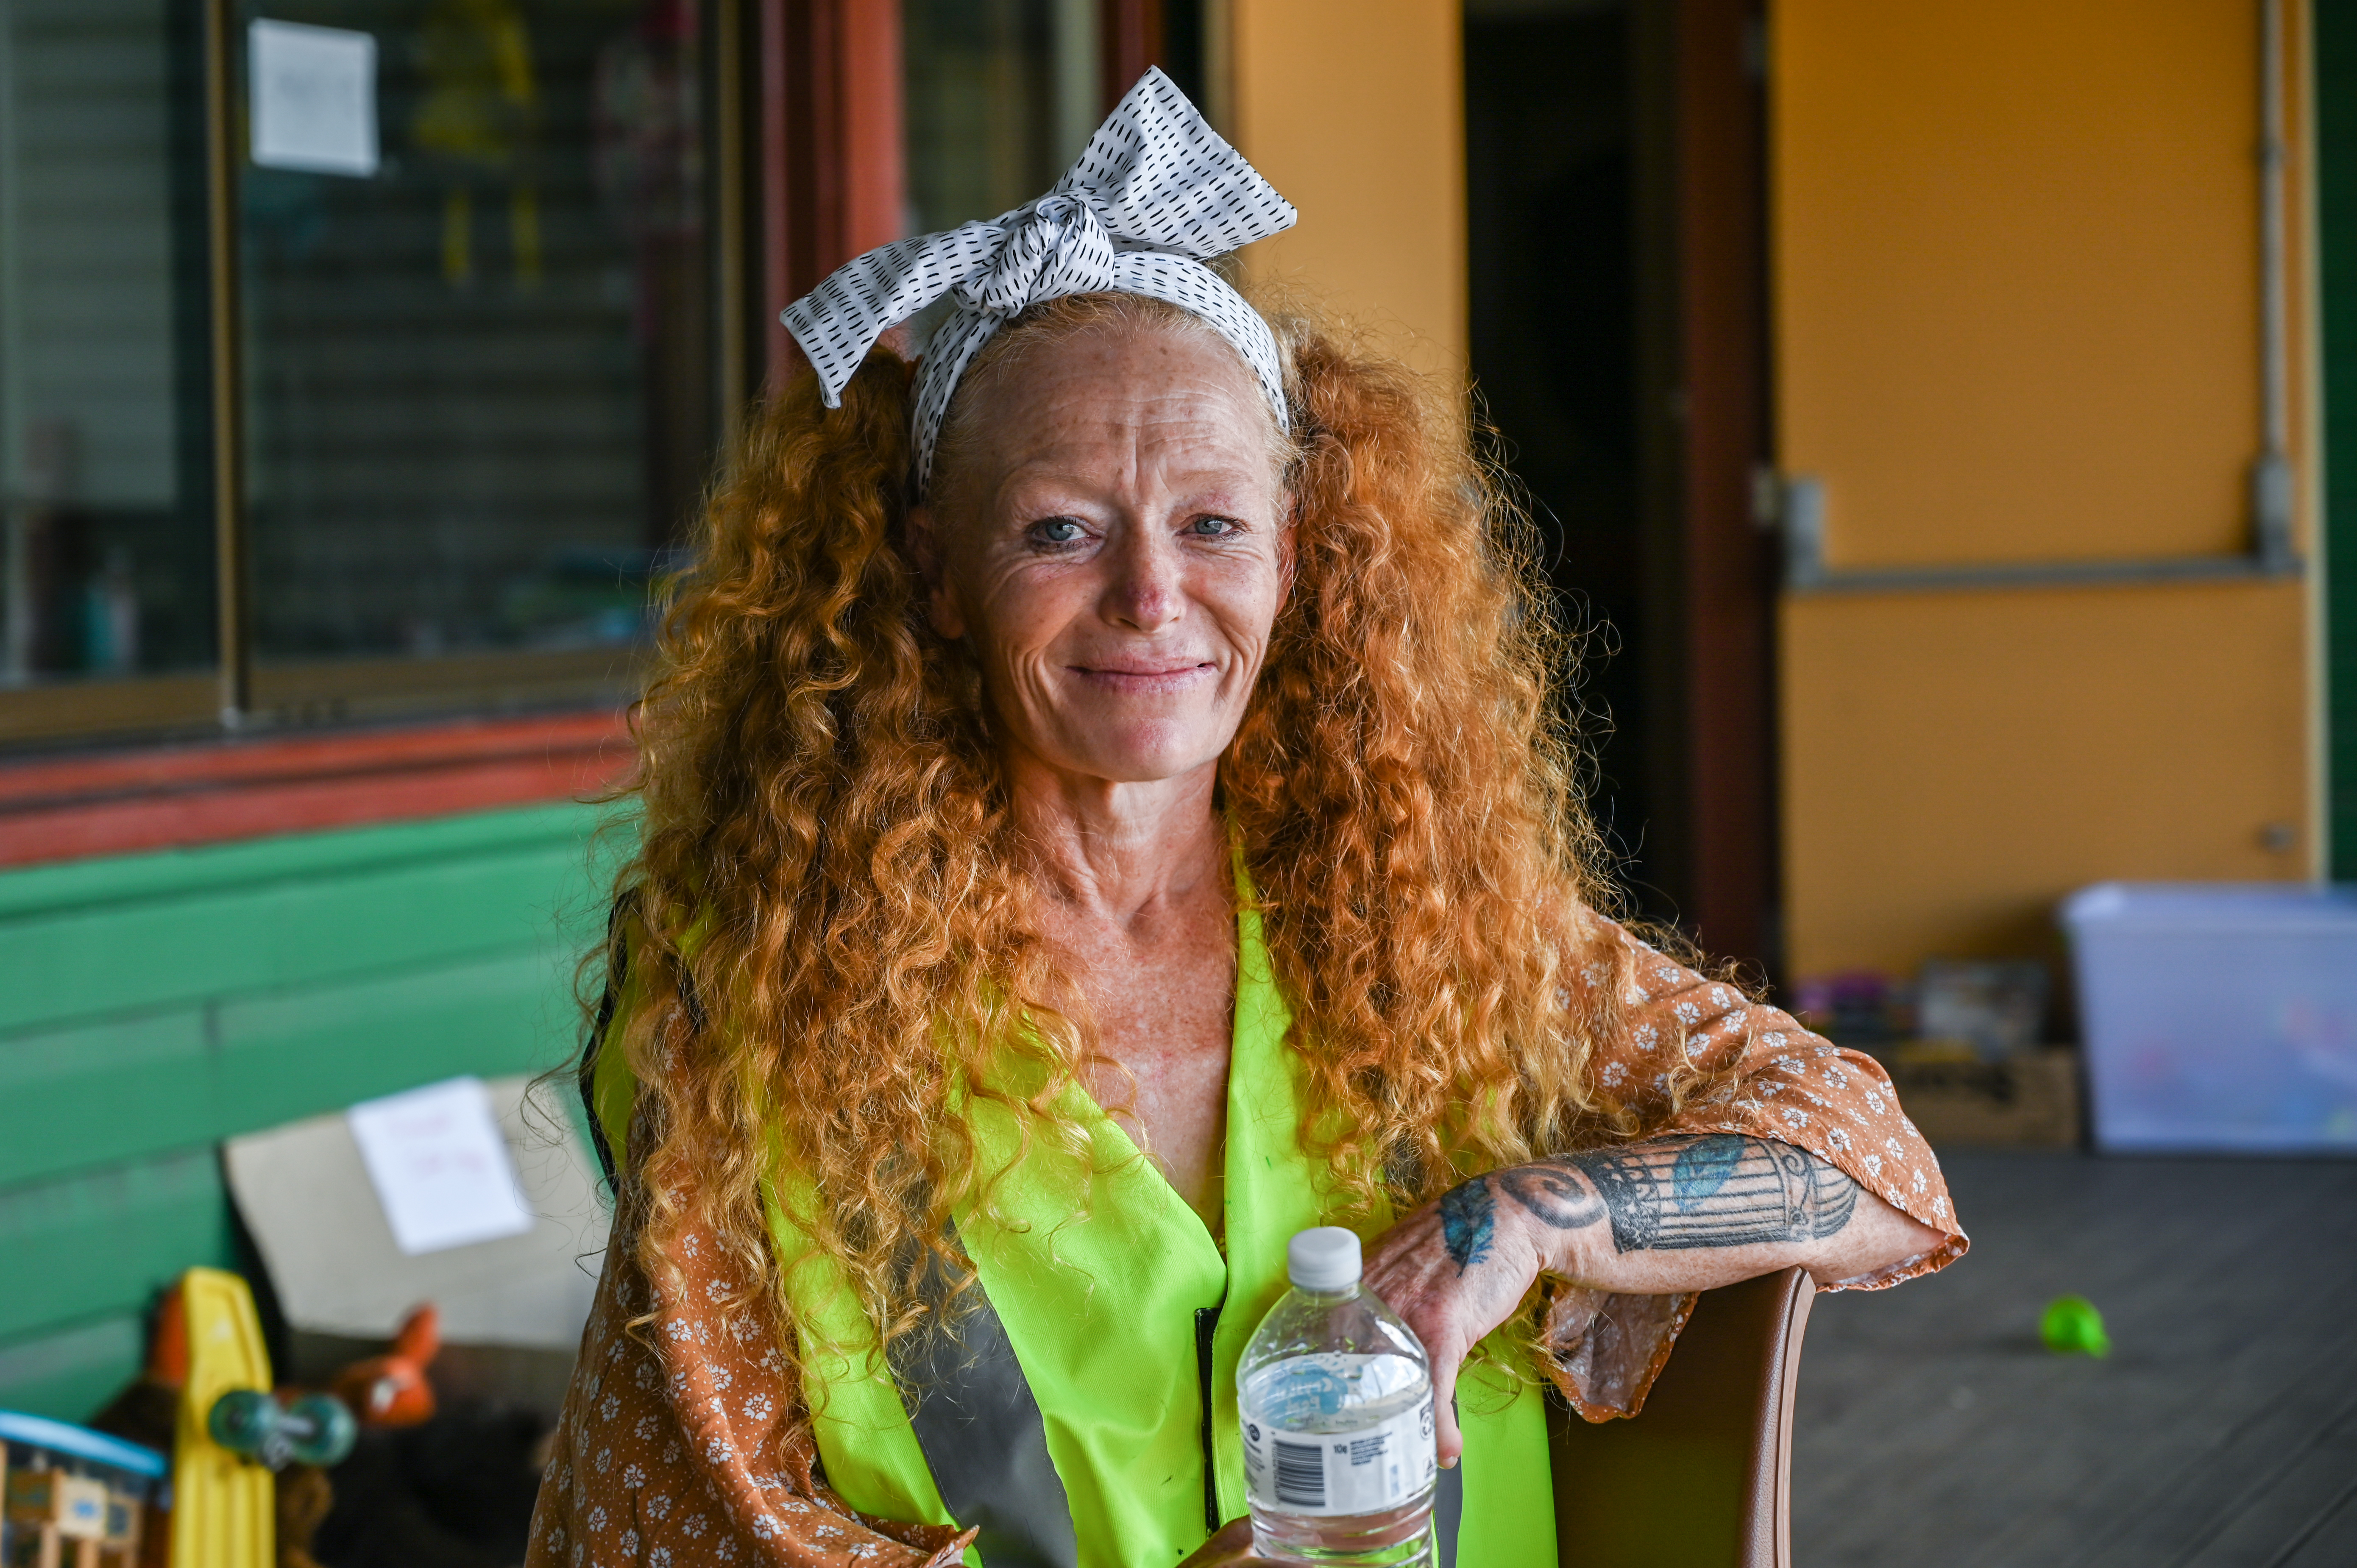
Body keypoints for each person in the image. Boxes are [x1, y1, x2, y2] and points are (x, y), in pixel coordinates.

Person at [528, 70, 1964, 1568]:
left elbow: (1869, 1156)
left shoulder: (1415, 915)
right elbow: (664, 1527)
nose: (1153, 597)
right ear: (936, 573)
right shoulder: (751, 996)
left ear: (1293, 558)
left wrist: (1524, 1221)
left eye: (1212, 523)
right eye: (1060, 529)